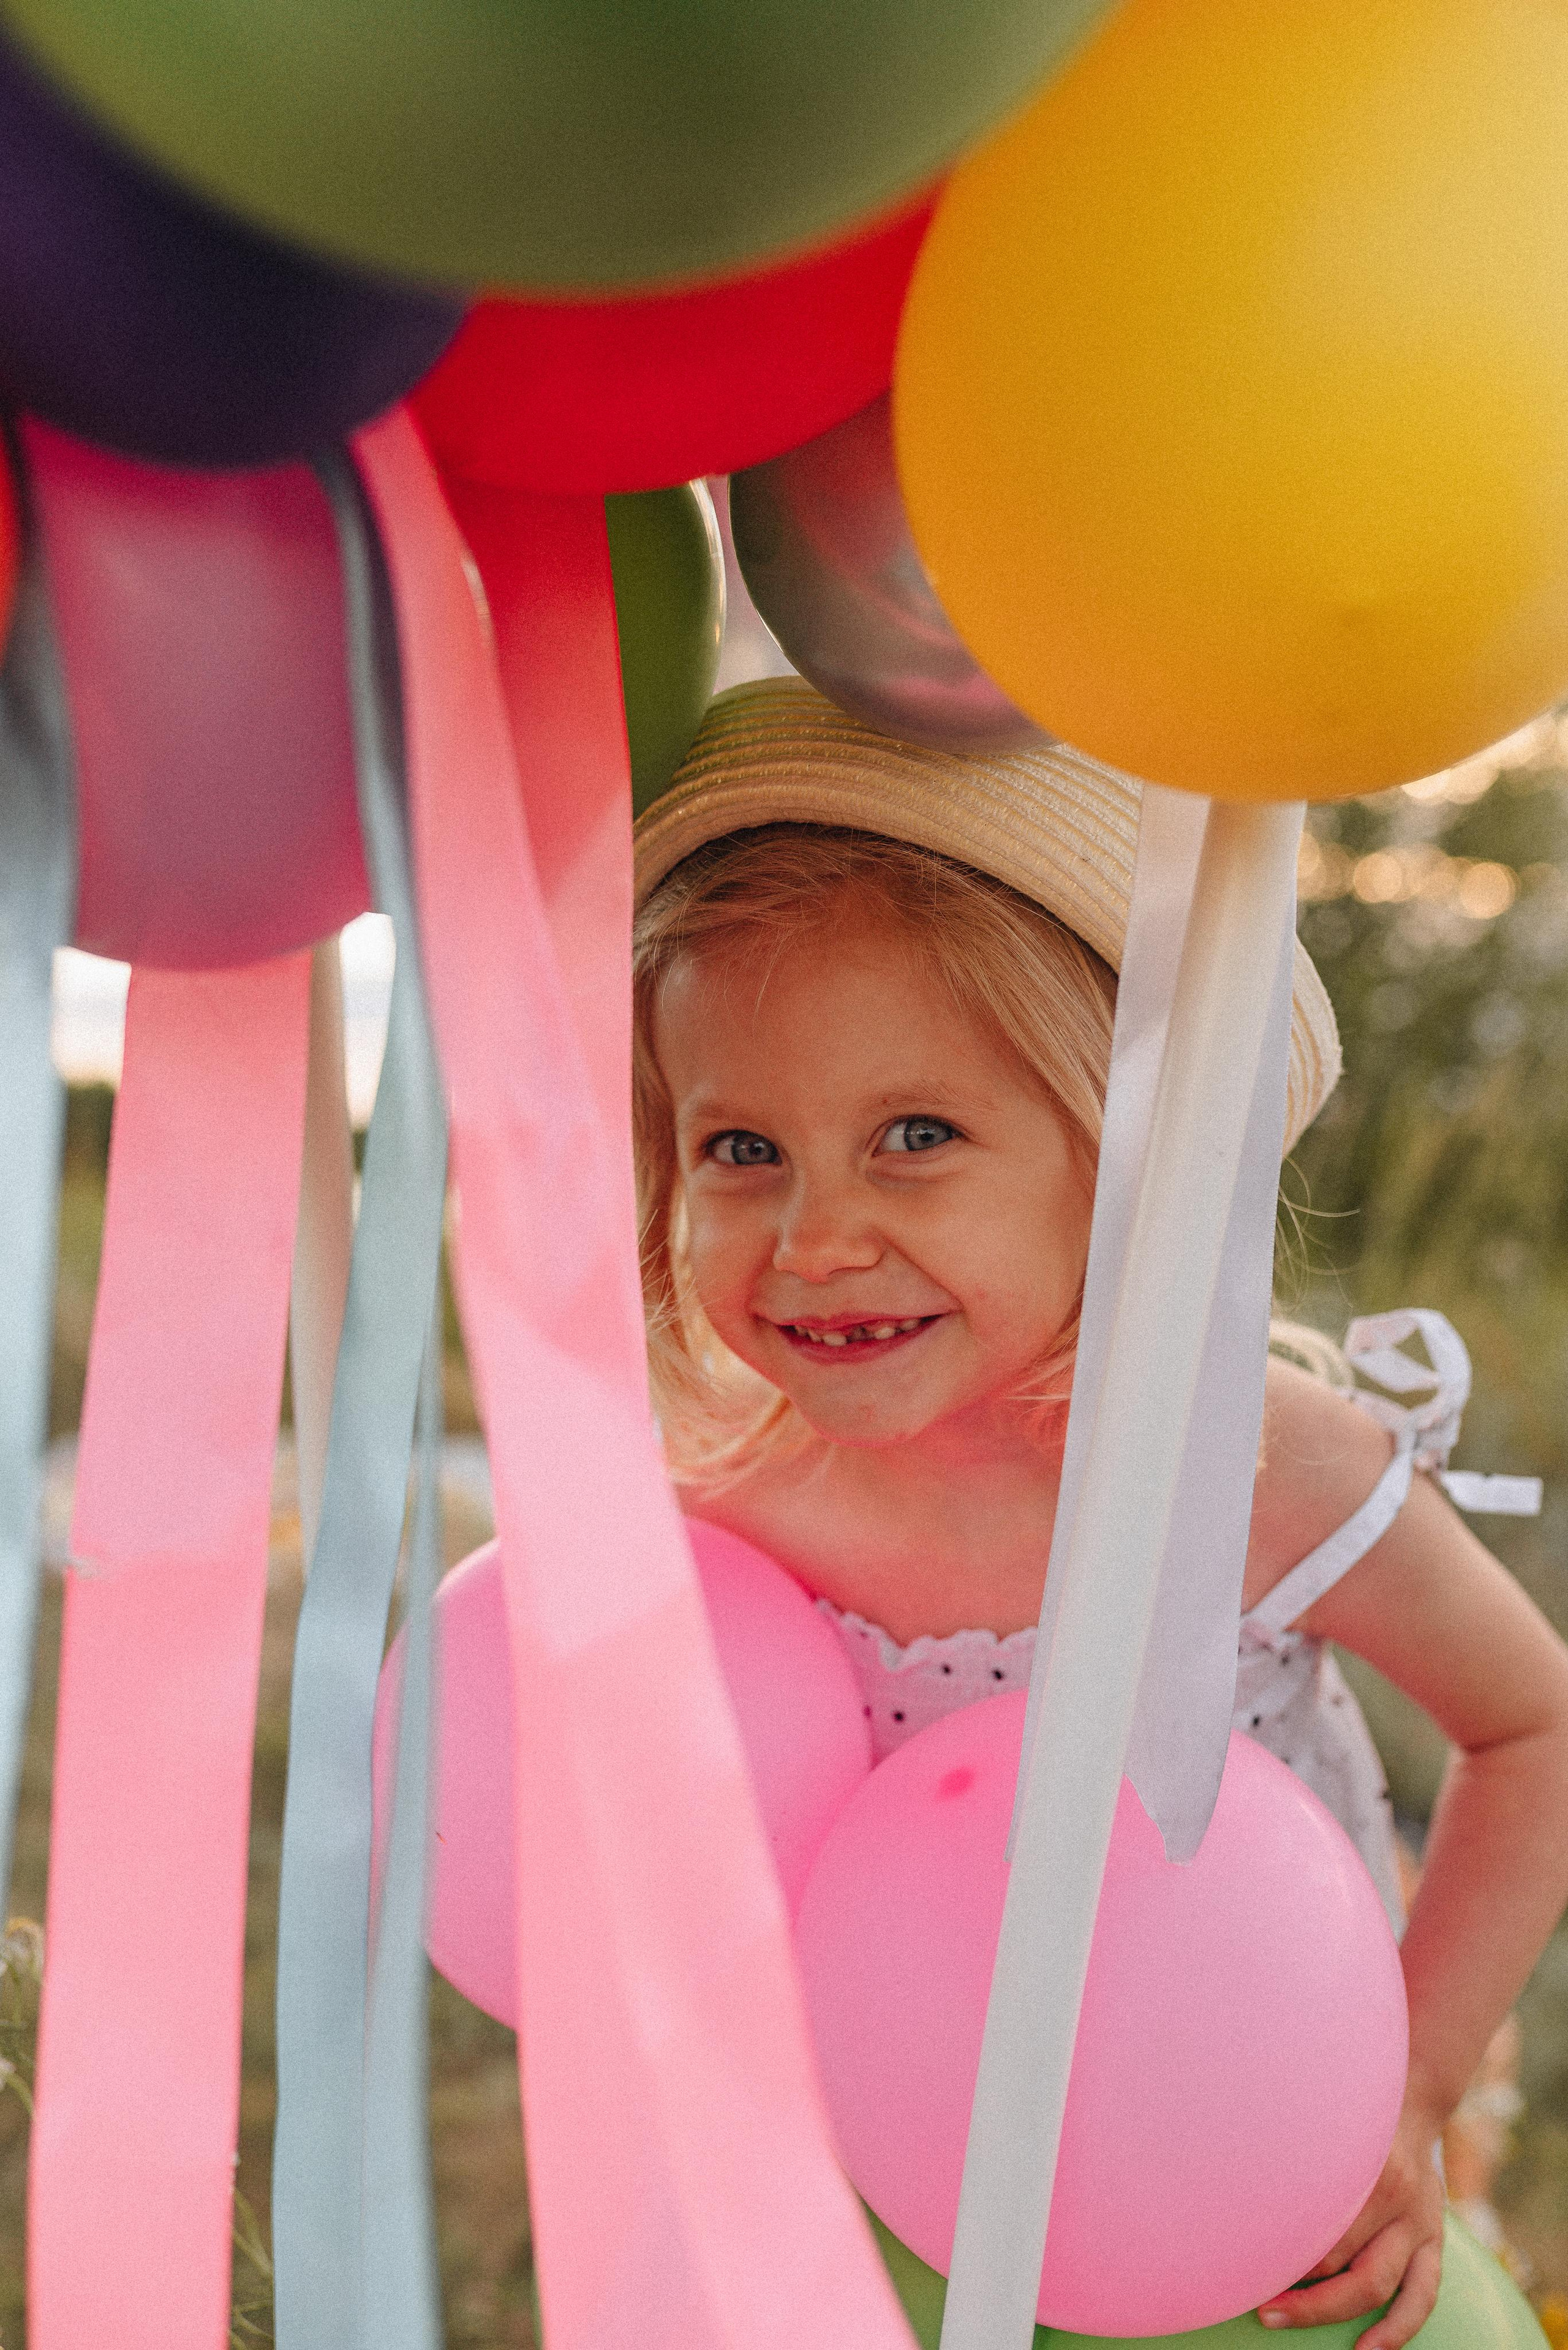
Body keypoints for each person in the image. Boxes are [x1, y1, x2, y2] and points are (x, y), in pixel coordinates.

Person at [631, 679, 1568, 2350]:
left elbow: (1535, 1725)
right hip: (895, 2204)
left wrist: (1411, 2085)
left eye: (914, 1136)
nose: (814, 1235)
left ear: (1117, 1150)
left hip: (1267, 2217)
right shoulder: (730, 1509)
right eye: (742, 1148)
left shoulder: (1249, 1468)